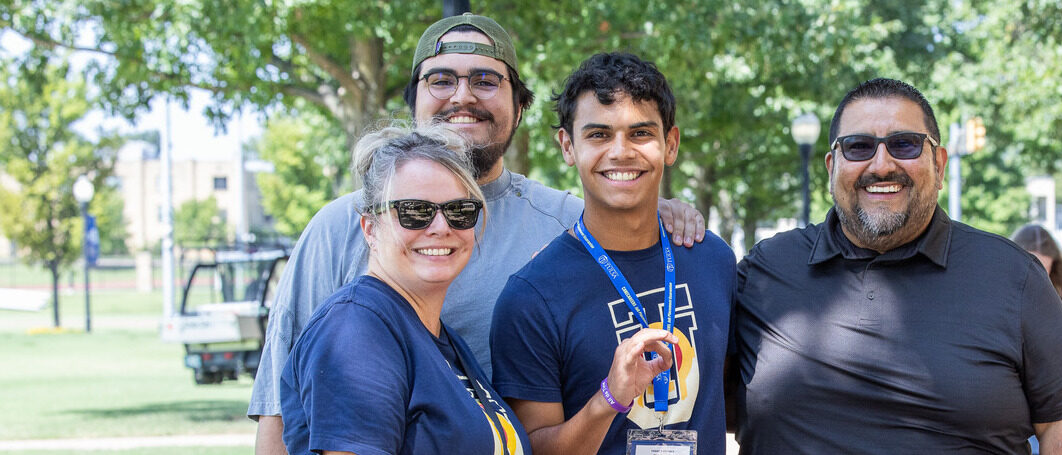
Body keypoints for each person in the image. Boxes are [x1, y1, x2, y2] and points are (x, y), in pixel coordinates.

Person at [248, 13, 706, 455]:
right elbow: (279, 409)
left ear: (519, 105)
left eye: (485, 81)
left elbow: (623, 208)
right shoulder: (338, 227)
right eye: (441, 80)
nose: (462, 97)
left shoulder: (562, 220)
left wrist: (655, 204)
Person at [730, 78, 1062, 454]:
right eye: (858, 146)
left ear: (939, 164)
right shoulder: (764, 271)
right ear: (832, 167)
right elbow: (694, 397)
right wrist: (670, 214)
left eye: (904, 144)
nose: (881, 165)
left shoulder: (1013, 276)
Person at [490, 53, 734, 455]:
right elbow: (533, 449)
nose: (620, 152)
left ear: (670, 144)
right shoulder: (531, 297)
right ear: (568, 146)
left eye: (640, 133)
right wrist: (610, 398)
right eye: (599, 135)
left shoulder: (713, 260)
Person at [279, 124, 529, 454]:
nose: (441, 227)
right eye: (415, 212)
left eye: (459, 211)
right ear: (370, 228)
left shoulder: (439, 340)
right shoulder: (356, 331)